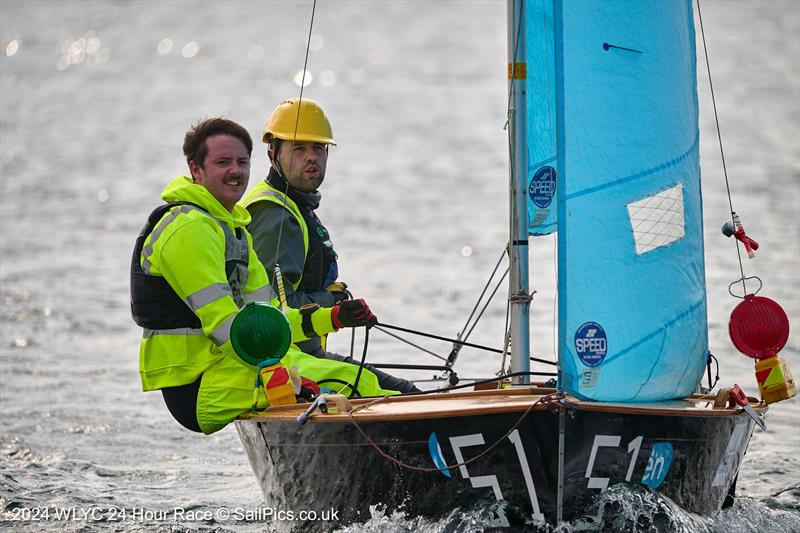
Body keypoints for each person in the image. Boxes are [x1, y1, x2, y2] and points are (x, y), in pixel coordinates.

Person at [130, 117, 404, 435]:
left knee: (359, 379)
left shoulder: (234, 229)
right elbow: (225, 327)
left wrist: (333, 318)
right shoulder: (189, 229)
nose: (235, 170)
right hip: (198, 385)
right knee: (352, 381)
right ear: (196, 169)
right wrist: (286, 380)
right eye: (223, 162)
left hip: (228, 368)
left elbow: (271, 319)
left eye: (242, 162)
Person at [242, 99, 419, 394]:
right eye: (299, 149)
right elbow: (268, 313)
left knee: (398, 389)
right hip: (284, 365)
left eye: (319, 148)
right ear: (273, 153)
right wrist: (333, 304)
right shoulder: (276, 216)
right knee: (401, 394)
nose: (312, 157)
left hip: (304, 357)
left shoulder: (294, 203)